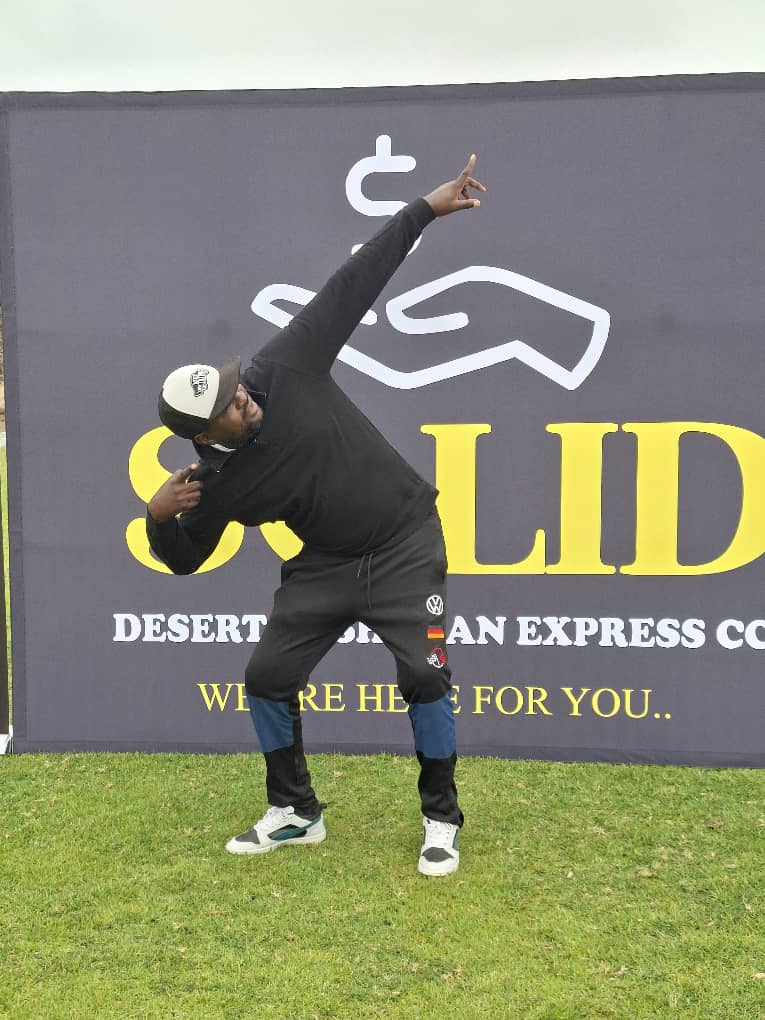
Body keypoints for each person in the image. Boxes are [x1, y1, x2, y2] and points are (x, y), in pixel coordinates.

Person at [146, 155, 486, 877]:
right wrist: (156, 516)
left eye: (238, 389)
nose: (247, 399)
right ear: (206, 436)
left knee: (425, 677)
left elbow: (354, 282)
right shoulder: (216, 484)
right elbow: (182, 559)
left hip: (403, 540)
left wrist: (425, 208)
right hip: (324, 568)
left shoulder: (286, 364)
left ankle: (440, 818)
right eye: (231, 407)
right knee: (266, 676)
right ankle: (295, 814)